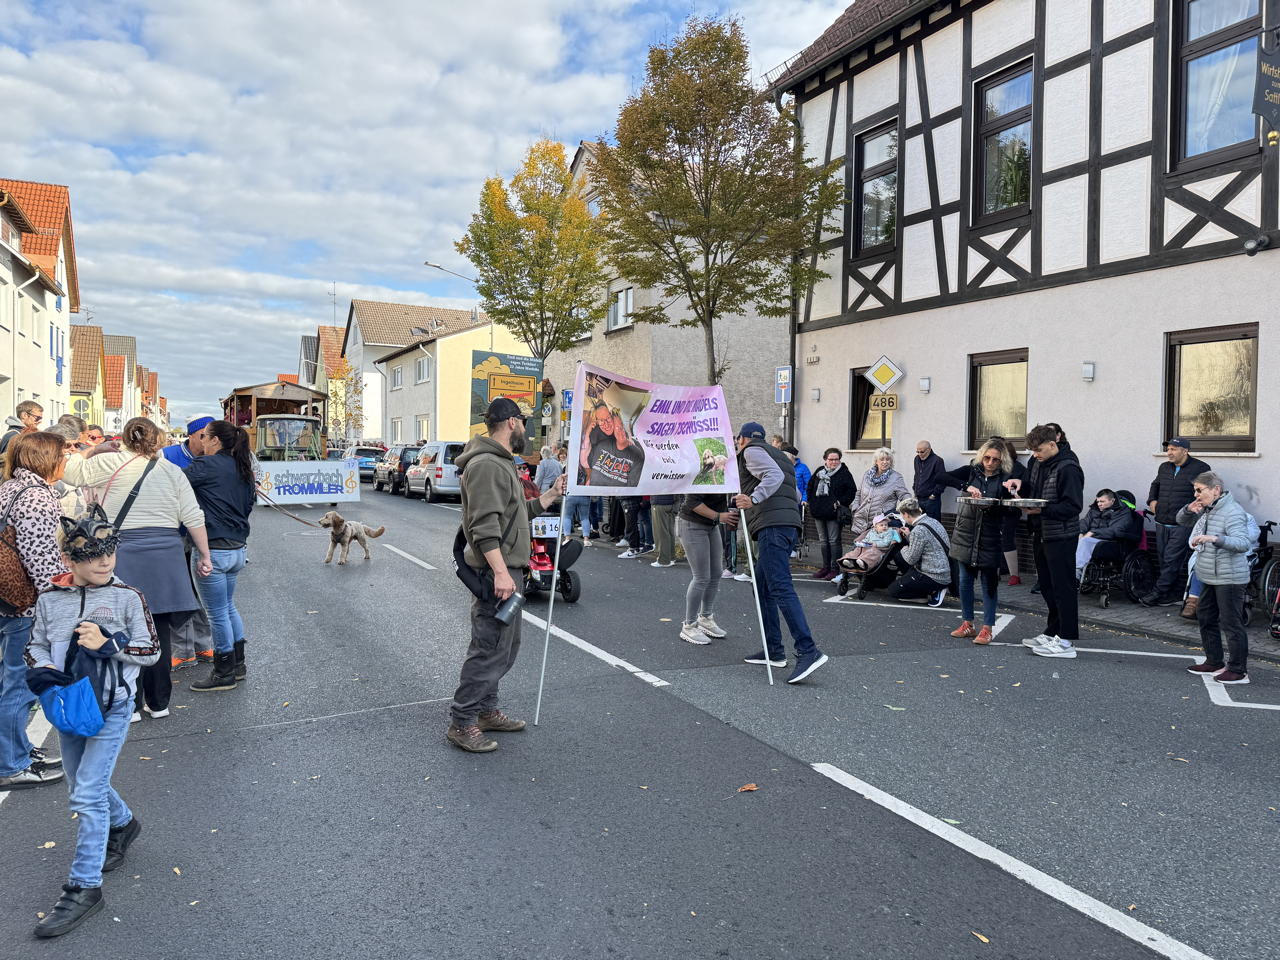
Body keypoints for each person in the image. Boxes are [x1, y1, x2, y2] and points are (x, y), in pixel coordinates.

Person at [25, 510, 159, 937]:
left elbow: (151, 650)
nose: (105, 561)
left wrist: (110, 644)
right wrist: (47, 674)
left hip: (112, 707)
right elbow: (36, 645)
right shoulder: (49, 600)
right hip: (66, 706)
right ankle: (123, 824)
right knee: (82, 782)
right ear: (69, 559)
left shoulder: (128, 598)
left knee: (86, 794)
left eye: (110, 551)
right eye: (92, 554)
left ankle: (85, 888)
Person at [62, 417, 211, 721]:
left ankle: (127, 702)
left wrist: (94, 449)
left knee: (120, 626)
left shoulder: (109, 462)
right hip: (166, 553)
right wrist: (204, 555)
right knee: (159, 630)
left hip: (122, 551)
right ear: (157, 440)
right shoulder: (172, 471)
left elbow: (68, 472)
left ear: (126, 439)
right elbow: (193, 516)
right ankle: (159, 702)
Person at [449, 397, 565, 753]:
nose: (526, 431)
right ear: (512, 422)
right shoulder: (487, 464)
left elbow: (512, 516)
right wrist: (501, 573)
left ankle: (485, 710)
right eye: (524, 423)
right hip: (495, 571)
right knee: (488, 648)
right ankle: (462, 722)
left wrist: (548, 496)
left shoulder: (499, 463)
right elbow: (484, 527)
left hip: (506, 569)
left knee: (503, 646)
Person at [732, 422, 828, 683]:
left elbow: (771, 478)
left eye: (737, 440)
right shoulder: (783, 457)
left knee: (780, 587)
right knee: (762, 586)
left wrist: (753, 499)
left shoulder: (751, 452)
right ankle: (773, 650)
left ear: (743, 439)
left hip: (772, 527)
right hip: (785, 525)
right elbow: (795, 492)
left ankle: (808, 651)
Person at [0, 433, 67, 792]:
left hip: (4, 598)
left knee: (7, 679)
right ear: (47, 460)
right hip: (23, 604)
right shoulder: (38, 497)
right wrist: (59, 601)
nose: (67, 459)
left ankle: (19, 750)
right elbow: (40, 560)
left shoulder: (8, 488)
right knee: (19, 683)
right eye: (63, 454)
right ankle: (9, 765)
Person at [185, 421, 256, 692]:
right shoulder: (243, 468)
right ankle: (238, 665)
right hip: (238, 548)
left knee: (216, 613)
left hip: (212, 549)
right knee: (228, 607)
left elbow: (174, 482)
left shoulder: (205, 466)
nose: (201, 442)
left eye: (205, 437)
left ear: (215, 441)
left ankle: (223, 671)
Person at [1007, 424, 1084, 659]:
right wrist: (1019, 485)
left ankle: (1067, 640)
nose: (1035, 454)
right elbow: (1036, 490)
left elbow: (1073, 506)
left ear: (1053, 444)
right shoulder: (1040, 464)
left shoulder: (1069, 468)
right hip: (1041, 531)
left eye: (1038, 450)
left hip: (1061, 534)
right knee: (1048, 586)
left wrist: (1040, 510)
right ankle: (1053, 631)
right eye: (1032, 450)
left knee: (1063, 587)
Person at [1180, 472, 1252, 684]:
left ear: (1216, 490)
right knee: (1206, 618)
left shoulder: (1232, 512)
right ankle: (1214, 661)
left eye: (1199, 490)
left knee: (1231, 624)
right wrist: (1187, 509)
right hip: (1209, 574)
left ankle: (1238, 670)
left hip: (1229, 577)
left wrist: (1214, 538)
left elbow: (1242, 543)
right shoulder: (1207, 509)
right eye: (1195, 490)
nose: (1196, 494)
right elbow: (1180, 521)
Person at [942, 440, 1013, 643]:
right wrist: (966, 486)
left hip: (990, 536)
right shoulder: (971, 471)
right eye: (987, 458)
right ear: (981, 456)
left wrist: (996, 503)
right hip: (966, 535)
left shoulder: (1005, 479)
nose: (990, 463)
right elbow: (941, 477)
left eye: (995, 460)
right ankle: (968, 624)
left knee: (989, 584)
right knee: (964, 582)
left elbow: (1010, 510)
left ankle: (987, 628)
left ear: (1002, 461)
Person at [1142, 438, 1210, 607]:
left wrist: (1196, 508)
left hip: (1183, 524)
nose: (1169, 453)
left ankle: (1157, 592)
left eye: (1173, 449)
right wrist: (1152, 501)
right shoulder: (1164, 467)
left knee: (1172, 559)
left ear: (1185, 450)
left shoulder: (1201, 468)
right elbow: (1155, 485)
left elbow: (1205, 492)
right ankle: (1173, 594)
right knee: (1164, 559)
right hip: (1162, 521)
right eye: (1168, 449)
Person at [676, 492, 736, 644]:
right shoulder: (705, 470)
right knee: (701, 577)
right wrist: (718, 516)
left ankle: (705, 618)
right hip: (692, 524)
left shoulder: (729, 473)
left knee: (716, 573)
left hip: (711, 525)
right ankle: (689, 625)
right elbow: (692, 502)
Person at [806, 448, 856, 581]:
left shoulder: (844, 473)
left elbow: (851, 491)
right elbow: (810, 487)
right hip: (818, 512)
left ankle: (835, 569)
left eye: (836, 459)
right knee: (823, 541)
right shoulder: (819, 472)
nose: (834, 462)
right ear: (825, 460)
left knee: (834, 541)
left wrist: (840, 502)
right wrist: (811, 502)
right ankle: (825, 567)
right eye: (831, 459)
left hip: (834, 513)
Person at [889, 498, 951, 605]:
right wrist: (909, 536)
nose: (903, 518)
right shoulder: (932, 521)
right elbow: (926, 543)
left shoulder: (918, 530)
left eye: (902, 515)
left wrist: (902, 547)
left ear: (906, 514)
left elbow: (910, 559)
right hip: (943, 569)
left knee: (893, 590)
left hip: (933, 575)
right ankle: (923, 588)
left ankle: (932, 592)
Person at [1075, 489, 1141, 578]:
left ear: (1112, 501)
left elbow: (1115, 531)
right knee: (1071, 539)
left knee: (1085, 542)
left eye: (1102, 501)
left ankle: (1076, 572)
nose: (1099, 504)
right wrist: (1081, 532)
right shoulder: (1095, 508)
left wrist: (1093, 532)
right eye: (1098, 501)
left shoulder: (1123, 512)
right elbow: (1085, 522)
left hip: (1109, 541)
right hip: (1091, 538)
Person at [849, 448, 911, 538]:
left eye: (888, 459)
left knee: (874, 550)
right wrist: (855, 508)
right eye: (882, 459)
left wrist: (910, 506)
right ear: (876, 461)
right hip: (861, 520)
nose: (885, 462)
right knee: (858, 549)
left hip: (880, 523)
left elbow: (904, 495)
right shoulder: (867, 475)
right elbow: (859, 493)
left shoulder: (896, 478)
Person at [580, 400, 645, 486]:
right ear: (597, 422)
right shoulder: (596, 435)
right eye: (601, 421)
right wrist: (587, 434)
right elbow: (585, 462)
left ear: (612, 416)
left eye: (608, 419)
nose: (606, 424)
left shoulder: (631, 444)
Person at [992, 437, 1026, 585]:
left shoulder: (1018, 468)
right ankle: (996, 572)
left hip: (1011, 509)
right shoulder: (997, 467)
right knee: (994, 540)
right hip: (997, 508)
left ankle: (1014, 575)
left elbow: (1023, 489)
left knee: (1006, 539)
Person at [836, 513, 901, 571]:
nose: (884, 526)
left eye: (886, 525)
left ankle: (863, 562)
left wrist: (876, 544)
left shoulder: (888, 532)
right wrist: (863, 543)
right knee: (856, 551)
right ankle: (849, 560)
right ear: (875, 527)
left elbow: (886, 542)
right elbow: (866, 539)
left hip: (879, 549)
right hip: (867, 547)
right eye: (881, 525)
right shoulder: (871, 532)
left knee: (872, 553)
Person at [912, 441, 948, 521]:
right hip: (919, 498)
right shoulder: (916, 459)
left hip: (932, 500)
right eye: (917, 451)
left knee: (933, 525)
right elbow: (917, 476)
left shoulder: (937, 460)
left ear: (929, 450)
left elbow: (943, 480)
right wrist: (915, 491)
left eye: (922, 451)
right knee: (919, 524)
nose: (919, 454)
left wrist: (933, 495)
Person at [650, 494, 677, 568]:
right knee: (669, 532)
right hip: (671, 502)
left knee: (661, 533)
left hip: (660, 502)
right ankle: (671, 557)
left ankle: (664, 560)